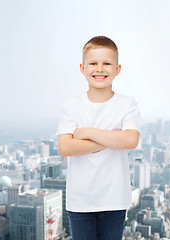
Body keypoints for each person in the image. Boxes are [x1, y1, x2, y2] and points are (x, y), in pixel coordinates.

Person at [57, 36, 140, 240]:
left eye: (107, 63)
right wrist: (112, 138)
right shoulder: (72, 104)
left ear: (117, 69)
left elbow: (130, 141)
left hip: (115, 199)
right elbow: (65, 147)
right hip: (80, 200)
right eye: (93, 63)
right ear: (82, 68)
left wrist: (87, 133)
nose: (99, 69)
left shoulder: (127, 104)